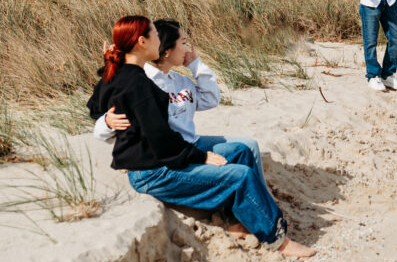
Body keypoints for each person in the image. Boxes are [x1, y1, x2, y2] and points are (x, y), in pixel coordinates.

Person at [87, 16, 314, 257]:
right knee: (240, 176)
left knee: (243, 151)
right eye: (154, 35)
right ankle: (278, 240)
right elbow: (161, 139)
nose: (158, 41)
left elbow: (95, 104)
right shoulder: (139, 83)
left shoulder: (128, 75)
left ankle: (242, 221)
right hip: (153, 171)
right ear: (142, 42)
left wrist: (111, 67)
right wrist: (199, 156)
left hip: (156, 161)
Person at [94, 19, 268, 199]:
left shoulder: (179, 81)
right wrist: (106, 121)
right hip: (165, 154)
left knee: (249, 146)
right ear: (166, 49)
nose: (187, 49)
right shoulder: (140, 82)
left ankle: (260, 198)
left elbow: (210, 100)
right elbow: (107, 119)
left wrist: (196, 66)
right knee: (241, 159)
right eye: (183, 43)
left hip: (191, 141)